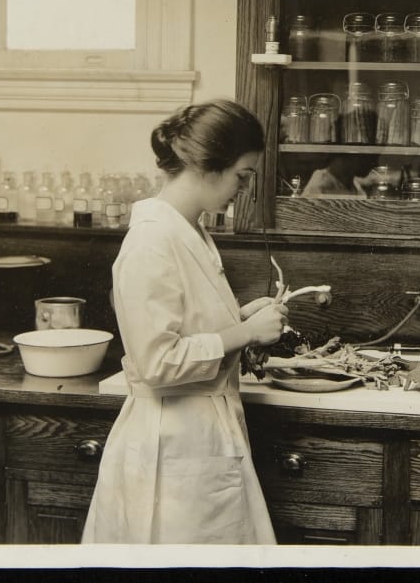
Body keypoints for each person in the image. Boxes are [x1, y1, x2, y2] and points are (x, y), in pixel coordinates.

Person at [82, 99, 287, 544]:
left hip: (199, 437)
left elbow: (187, 325)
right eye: (242, 176)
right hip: (170, 444)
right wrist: (245, 332)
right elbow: (158, 363)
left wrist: (239, 320)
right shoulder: (151, 241)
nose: (244, 190)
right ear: (207, 165)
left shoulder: (190, 231)